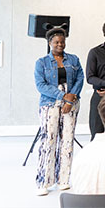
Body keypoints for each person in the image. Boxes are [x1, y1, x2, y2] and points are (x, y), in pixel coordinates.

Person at [33, 27, 84, 196]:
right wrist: (64, 96)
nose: (60, 44)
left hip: (71, 104)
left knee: (67, 141)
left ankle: (64, 180)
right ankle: (43, 182)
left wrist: (71, 98)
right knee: (49, 141)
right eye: (56, 42)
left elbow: (80, 79)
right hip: (49, 104)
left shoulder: (74, 60)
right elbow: (41, 85)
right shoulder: (41, 63)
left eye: (62, 41)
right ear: (49, 43)